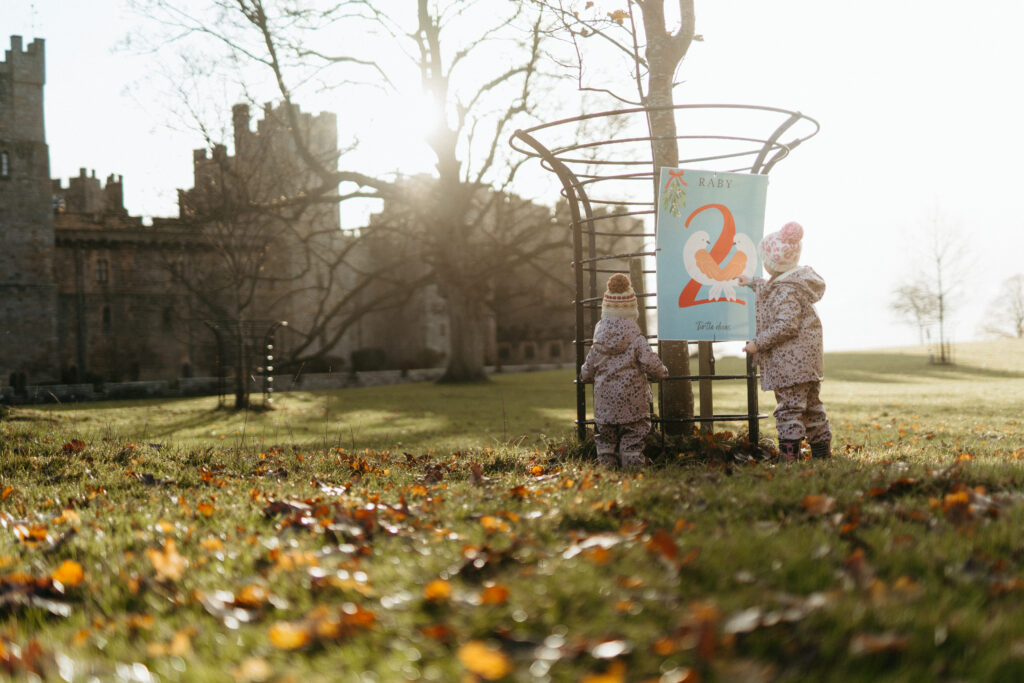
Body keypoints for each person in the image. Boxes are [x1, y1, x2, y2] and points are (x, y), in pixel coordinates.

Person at [739, 221, 832, 460]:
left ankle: (789, 457)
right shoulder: (792, 284)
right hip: (807, 365)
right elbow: (774, 288)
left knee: (789, 409)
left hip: (790, 366)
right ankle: (822, 454)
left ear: (771, 263)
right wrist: (752, 281)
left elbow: (786, 325)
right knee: (812, 408)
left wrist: (757, 343)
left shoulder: (785, 291)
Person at [579, 273, 669, 468]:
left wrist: (585, 375)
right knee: (633, 439)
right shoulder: (637, 340)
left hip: (605, 408)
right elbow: (651, 364)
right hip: (633, 406)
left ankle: (607, 470)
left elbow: (586, 372)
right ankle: (632, 470)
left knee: (605, 440)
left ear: (605, 312)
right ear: (632, 313)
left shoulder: (597, 344)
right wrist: (662, 372)